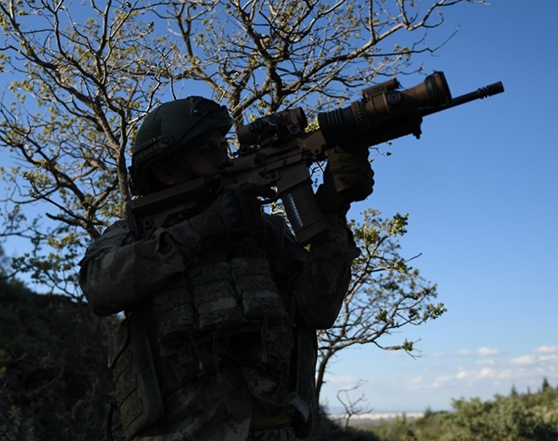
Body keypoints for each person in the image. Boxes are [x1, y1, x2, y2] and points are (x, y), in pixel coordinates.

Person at [78, 96, 374, 440]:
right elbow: (99, 287)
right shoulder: (134, 235)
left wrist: (333, 210)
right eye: (206, 151)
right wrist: (199, 229)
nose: (223, 159)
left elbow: (318, 310)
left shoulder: (264, 232)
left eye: (224, 147)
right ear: (166, 172)